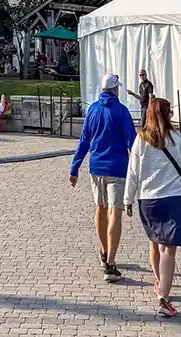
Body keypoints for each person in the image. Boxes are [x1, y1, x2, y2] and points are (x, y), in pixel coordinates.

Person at [124, 97, 181, 318]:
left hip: (148, 200)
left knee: (156, 245)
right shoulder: (177, 139)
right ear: (168, 115)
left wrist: (128, 199)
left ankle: (160, 284)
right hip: (172, 199)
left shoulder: (141, 140)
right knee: (169, 249)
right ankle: (164, 299)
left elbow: (133, 173)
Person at [69, 73, 137, 283]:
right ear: (115, 89)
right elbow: (132, 143)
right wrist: (141, 168)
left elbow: (84, 140)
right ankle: (111, 263)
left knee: (100, 208)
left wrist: (75, 167)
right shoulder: (122, 111)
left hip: (96, 167)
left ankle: (104, 251)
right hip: (117, 168)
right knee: (115, 212)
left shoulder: (93, 109)